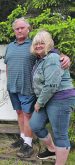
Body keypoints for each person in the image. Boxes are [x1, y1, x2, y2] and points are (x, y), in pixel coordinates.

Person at [4, 17, 70, 158]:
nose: (20, 30)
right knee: (19, 113)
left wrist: (65, 57)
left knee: (28, 115)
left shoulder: (34, 44)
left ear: (28, 29)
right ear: (14, 31)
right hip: (12, 87)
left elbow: (52, 53)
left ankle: (28, 145)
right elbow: (7, 65)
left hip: (28, 88)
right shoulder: (9, 46)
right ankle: (23, 138)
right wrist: (8, 82)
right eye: (17, 28)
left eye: (22, 27)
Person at [29, 31, 75, 164]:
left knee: (60, 135)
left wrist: (39, 103)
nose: (38, 46)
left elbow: (51, 85)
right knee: (35, 124)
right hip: (47, 99)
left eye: (42, 43)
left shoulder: (52, 58)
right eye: (36, 43)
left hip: (60, 98)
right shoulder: (40, 59)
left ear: (49, 44)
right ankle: (52, 150)